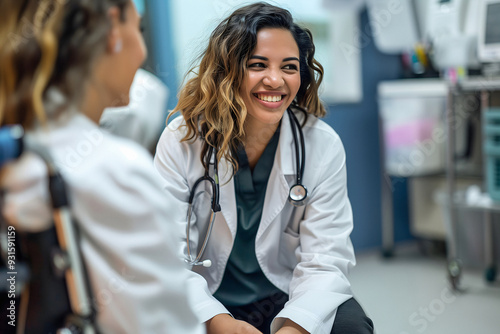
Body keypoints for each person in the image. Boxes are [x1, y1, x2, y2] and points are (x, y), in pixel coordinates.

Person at [154, 2, 374, 334]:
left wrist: (297, 325)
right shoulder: (182, 140)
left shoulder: (321, 145)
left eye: (289, 66)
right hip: (206, 298)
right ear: (228, 71)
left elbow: (326, 260)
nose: (275, 80)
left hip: (286, 295)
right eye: (258, 65)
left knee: (351, 327)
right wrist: (216, 321)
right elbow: (165, 256)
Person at [0, 1, 204, 333]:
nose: (141, 51)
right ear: (113, 31)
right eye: (137, 30)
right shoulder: (114, 170)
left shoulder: (19, 153)